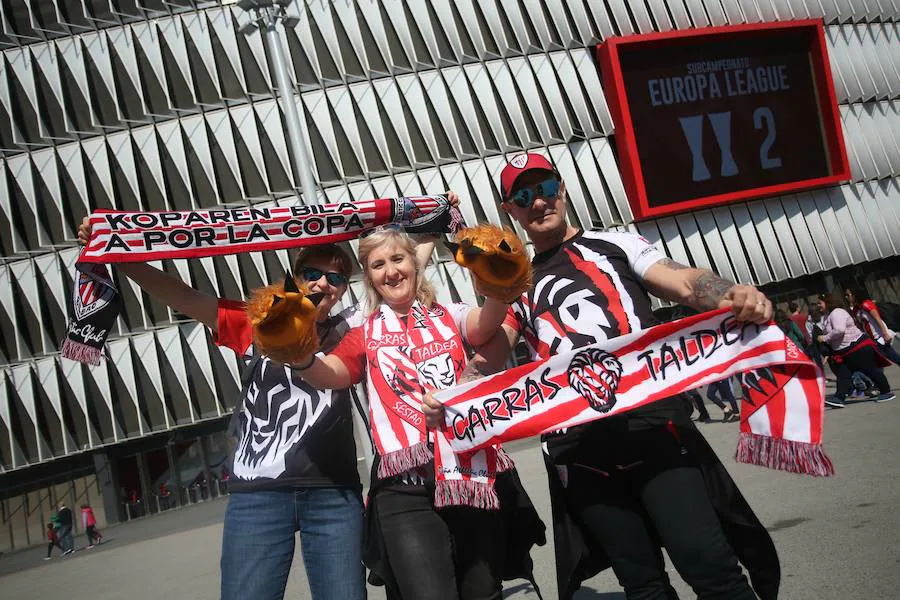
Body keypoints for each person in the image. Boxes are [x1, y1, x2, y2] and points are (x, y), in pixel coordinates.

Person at [426, 153, 780, 600]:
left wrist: (731, 294)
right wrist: (455, 397)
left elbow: (684, 282)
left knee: (711, 568)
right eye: (523, 196)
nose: (538, 203)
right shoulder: (513, 280)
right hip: (580, 449)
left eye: (546, 189)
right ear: (509, 209)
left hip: (652, 426)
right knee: (643, 585)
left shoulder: (615, 245)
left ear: (563, 189)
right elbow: (491, 356)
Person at [77, 216, 444, 600]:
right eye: (312, 273)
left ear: (343, 290)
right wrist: (117, 254)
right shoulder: (258, 322)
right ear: (296, 276)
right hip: (259, 493)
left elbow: (401, 278)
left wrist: (431, 229)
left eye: (336, 278)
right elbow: (184, 296)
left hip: (333, 492)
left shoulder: (353, 327)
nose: (323, 283)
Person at [288, 226, 544, 600]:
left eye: (397, 259)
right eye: (378, 264)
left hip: (470, 475)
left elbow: (486, 323)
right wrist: (297, 356)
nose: (390, 271)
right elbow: (331, 374)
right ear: (369, 276)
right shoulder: (364, 331)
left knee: (483, 593)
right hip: (403, 491)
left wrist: (500, 283)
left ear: (414, 263)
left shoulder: (448, 314)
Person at [816, 292, 894, 408]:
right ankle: (839, 398)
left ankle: (886, 392)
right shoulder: (829, 315)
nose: (818, 305)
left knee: (870, 370)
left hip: (858, 349)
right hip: (847, 351)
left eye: (820, 303)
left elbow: (839, 330)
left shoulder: (837, 313)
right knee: (843, 374)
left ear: (827, 302)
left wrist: (825, 338)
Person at [846, 288, 900, 365]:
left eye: (848, 295)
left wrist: (885, 334)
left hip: (880, 337)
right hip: (871, 340)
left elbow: (878, 319)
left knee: (879, 362)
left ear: (855, 295)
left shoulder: (866, 304)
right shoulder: (856, 310)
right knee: (892, 358)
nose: (847, 297)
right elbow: (860, 326)